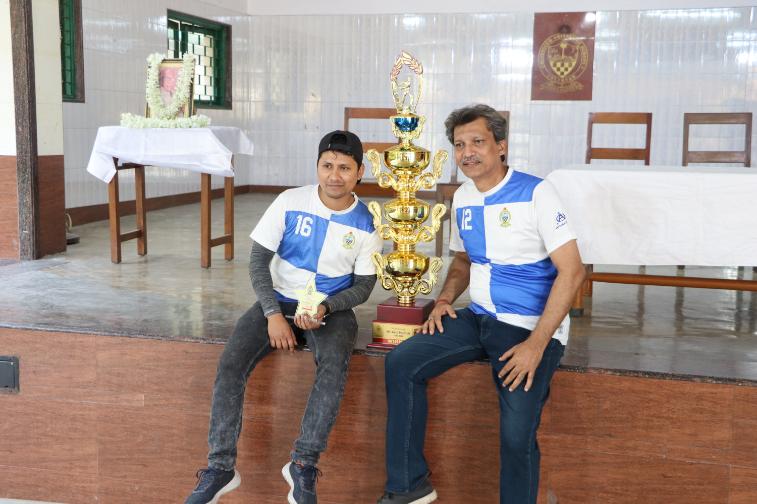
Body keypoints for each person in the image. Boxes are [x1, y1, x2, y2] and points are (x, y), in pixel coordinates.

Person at [376, 104, 586, 504]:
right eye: (459, 144)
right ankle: (409, 487)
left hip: (529, 328)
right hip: (479, 318)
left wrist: (536, 345)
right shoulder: (463, 197)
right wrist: (443, 300)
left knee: (516, 434)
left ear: (500, 146)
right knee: (401, 362)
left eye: (477, 142)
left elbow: (573, 272)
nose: (467, 152)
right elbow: (463, 260)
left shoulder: (536, 192)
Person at [185, 130, 382, 504]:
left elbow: (364, 286)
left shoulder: (367, 223)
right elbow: (258, 261)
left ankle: (303, 464)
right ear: (317, 166)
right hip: (277, 301)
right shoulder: (290, 201)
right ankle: (220, 467)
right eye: (327, 165)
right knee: (230, 364)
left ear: (360, 172)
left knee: (334, 365)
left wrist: (326, 307)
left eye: (344, 167)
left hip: (330, 308)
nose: (334, 175)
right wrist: (273, 314)